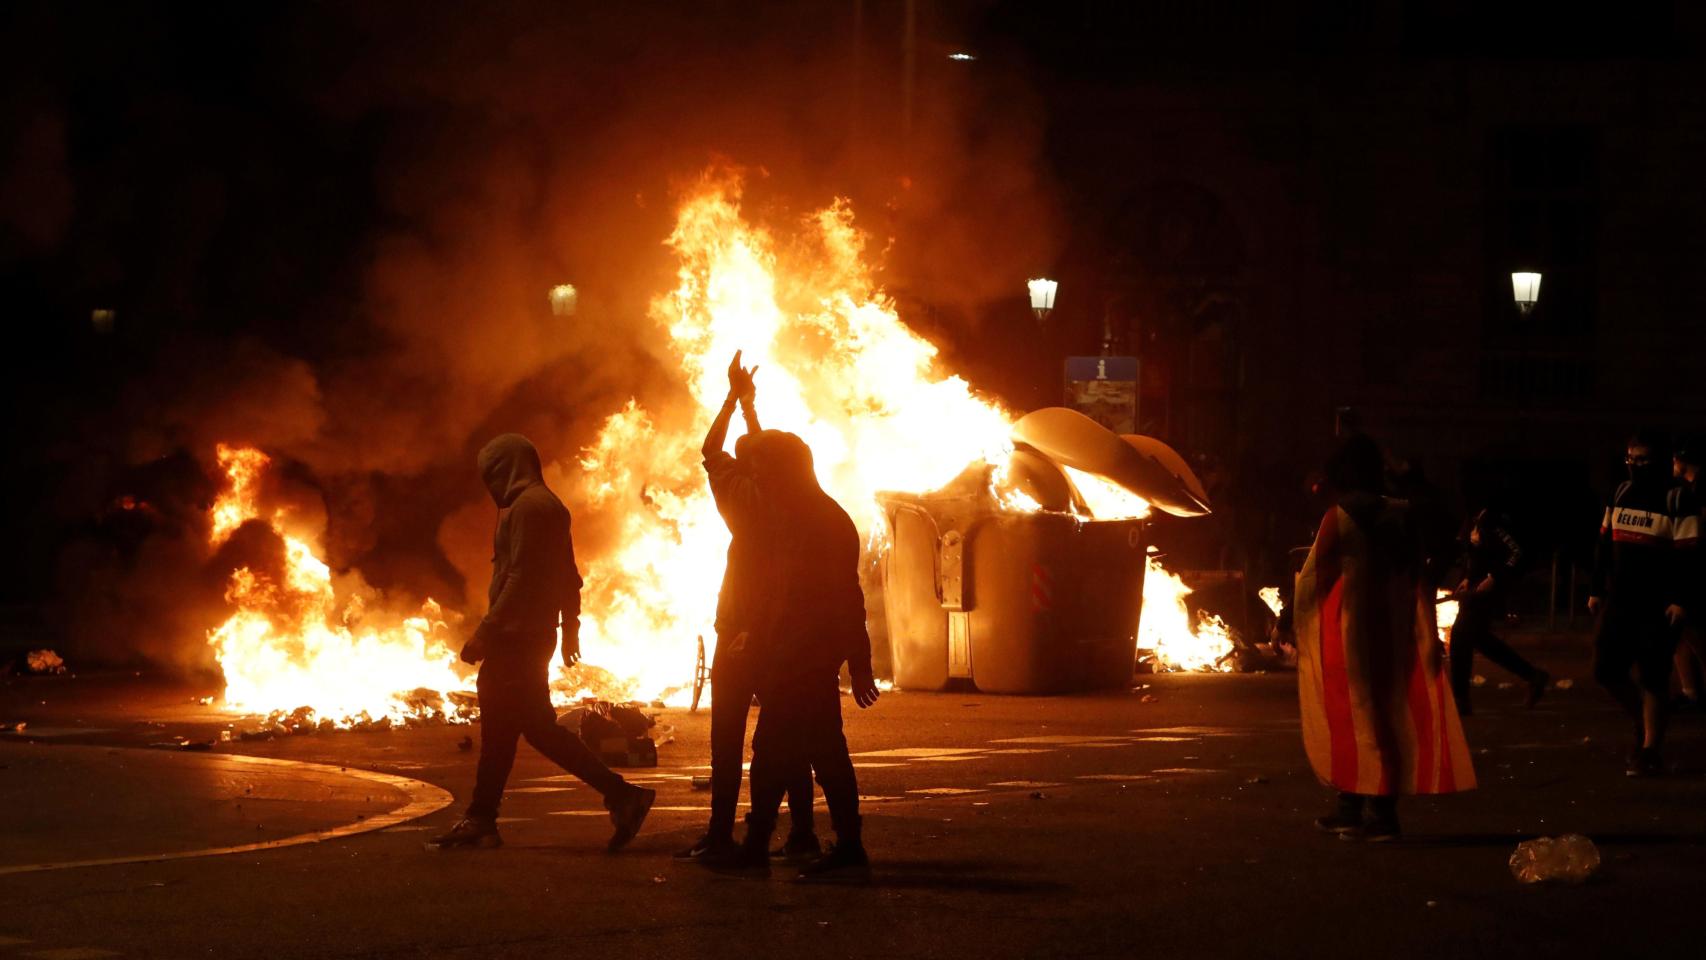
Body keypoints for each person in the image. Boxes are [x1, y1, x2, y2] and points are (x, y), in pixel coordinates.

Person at [431, 434, 655, 850]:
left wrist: (487, 630)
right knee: (523, 728)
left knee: (520, 726)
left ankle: (619, 795)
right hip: (533, 636)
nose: (491, 486)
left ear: (509, 469)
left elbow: (521, 577)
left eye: (493, 475)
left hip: (516, 638)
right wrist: (570, 625)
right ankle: (486, 817)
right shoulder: (548, 505)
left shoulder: (530, 508)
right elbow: (569, 574)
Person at [703, 430, 880, 880]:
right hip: (789, 655)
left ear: (786, 471)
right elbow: (776, 593)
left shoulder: (821, 523)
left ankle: (782, 846)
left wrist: (858, 663)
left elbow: (845, 597)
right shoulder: (797, 517)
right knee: (804, 751)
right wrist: (755, 634)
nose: (758, 479)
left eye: (765, 470)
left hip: (807, 659)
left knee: (795, 751)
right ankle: (803, 844)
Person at [675, 353, 820, 864]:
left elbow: (712, 448)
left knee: (727, 740)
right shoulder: (802, 505)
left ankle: (722, 834)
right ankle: (802, 831)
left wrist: (735, 400)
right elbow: (768, 456)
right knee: (785, 737)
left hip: (740, 631)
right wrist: (753, 413)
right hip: (784, 636)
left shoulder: (741, 502)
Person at [1293, 434, 1475, 842]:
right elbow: (1420, 575)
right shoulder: (1403, 514)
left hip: (1350, 632)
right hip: (1396, 630)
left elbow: (1313, 578)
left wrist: (1292, 621)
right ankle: (1360, 808)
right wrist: (1425, 633)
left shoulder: (1342, 515)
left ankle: (1373, 813)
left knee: (1352, 719)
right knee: (1387, 717)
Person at [1588, 432, 1690, 777]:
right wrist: (1595, 588)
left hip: (1657, 603)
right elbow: (1603, 544)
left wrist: (1680, 598)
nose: (1635, 465)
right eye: (1631, 458)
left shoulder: (1676, 498)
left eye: (1643, 459)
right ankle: (1642, 721)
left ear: (1658, 460)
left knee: (1653, 675)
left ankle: (1649, 750)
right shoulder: (1620, 493)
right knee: (1605, 669)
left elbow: (1689, 554)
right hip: (1620, 598)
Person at [1448, 506, 1550, 714]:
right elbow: (1475, 554)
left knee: (1462, 636)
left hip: (1490, 589)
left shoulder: (1494, 518)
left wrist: (1494, 577)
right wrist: (1468, 578)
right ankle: (1533, 675)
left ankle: (1460, 700)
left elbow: (1516, 552)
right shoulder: (1474, 517)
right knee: (1476, 639)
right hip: (1476, 586)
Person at [1668, 437, 1702, 707]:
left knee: (1694, 633)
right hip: (1691, 566)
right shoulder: (1690, 488)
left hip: (1696, 567)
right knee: (1681, 633)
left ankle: (1694, 691)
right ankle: (1691, 691)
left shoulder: (1697, 490)